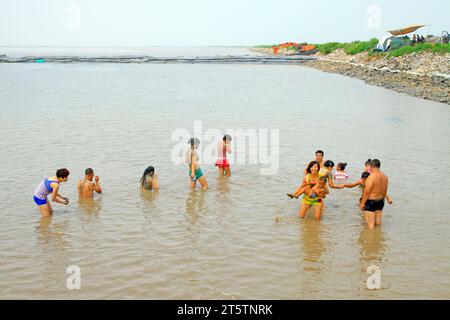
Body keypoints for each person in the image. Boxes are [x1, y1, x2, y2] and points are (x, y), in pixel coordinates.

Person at [360, 159, 389, 229]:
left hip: (371, 202)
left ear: (371, 166)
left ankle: (371, 239)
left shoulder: (371, 177)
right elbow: (385, 191)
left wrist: (362, 203)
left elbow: (367, 192)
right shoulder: (385, 177)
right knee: (378, 223)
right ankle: (378, 237)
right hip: (381, 201)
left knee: (370, 226)